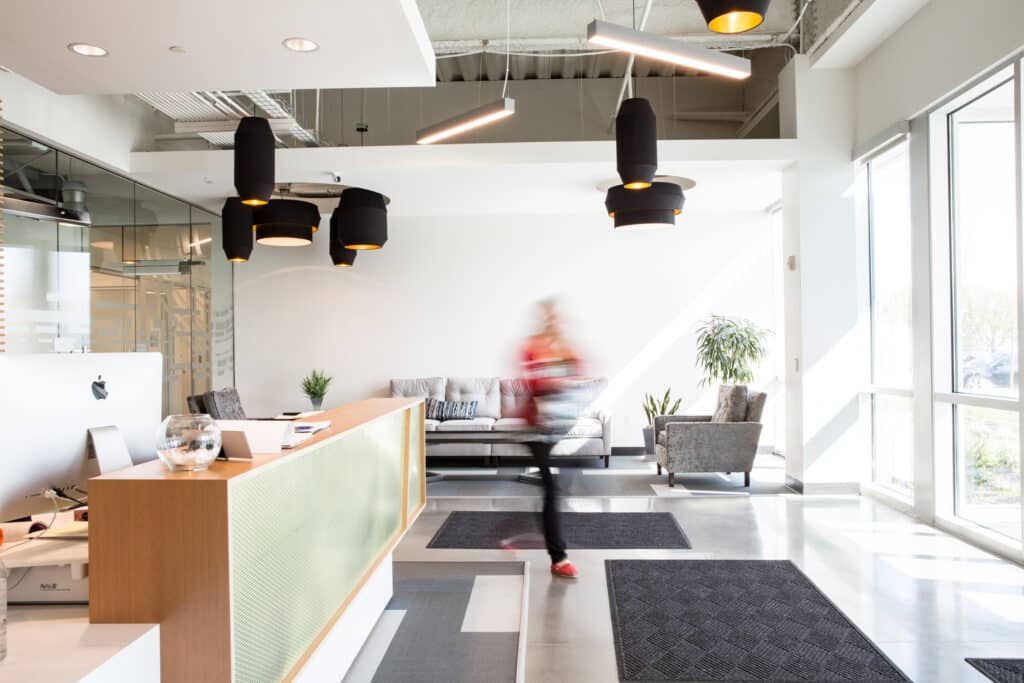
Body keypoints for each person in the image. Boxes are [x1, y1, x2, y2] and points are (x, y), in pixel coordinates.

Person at [520, 299, 583, 580]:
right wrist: (557, 381)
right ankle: (558, 557)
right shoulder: (533, 347)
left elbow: (578, 375)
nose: (555, 322)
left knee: (553, 488)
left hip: (558, 427)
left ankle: (553, 544)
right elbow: (534, 384)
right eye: (550, 317)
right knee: (551, 487)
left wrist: (566, 378)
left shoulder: (566, 350)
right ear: (544, 319)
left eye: (558, 318)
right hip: (536, 429)